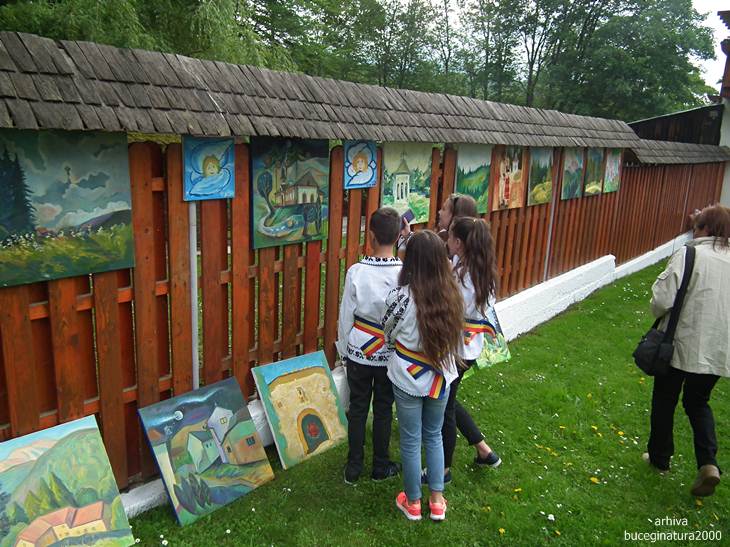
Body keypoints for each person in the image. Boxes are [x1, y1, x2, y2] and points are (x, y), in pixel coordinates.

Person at [644, 204, 730, 497]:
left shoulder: (689, 254)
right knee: (698, 402)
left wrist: (657, 312)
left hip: (681, 343)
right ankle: (708, 463)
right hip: (719, 348)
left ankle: (659, 458)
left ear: (705, 229)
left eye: (696, 226)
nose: (693, 231)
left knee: (665, 398)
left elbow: (662, 299)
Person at [382, 230, 463, 521]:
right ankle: (437, 501)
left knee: (410, 439)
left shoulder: (400, 296)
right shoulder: (454, 294)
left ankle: (413, 502)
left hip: (407, 375)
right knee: (434, 435)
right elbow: (458, 337)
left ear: (411, 260)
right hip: (441, 375)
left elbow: (387, 331)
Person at [436, 194, 502, 474]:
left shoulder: (463, 276)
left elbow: (453, 309)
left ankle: (443, 470)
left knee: (445, 408)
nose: (448, 242)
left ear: (459, 243)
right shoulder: (481, 269)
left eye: (451, 238)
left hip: (457, 349)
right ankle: (484, 451)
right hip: (469, 347)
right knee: (448, 401)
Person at [337, 207, 403, 484]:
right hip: (390, 354)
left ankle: (353, 467)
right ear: (398, 237)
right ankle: (380, 465)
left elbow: (346, 316)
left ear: (370, 236)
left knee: (358, 406)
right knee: (384, 408)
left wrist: (344, 352)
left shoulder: (356, 271)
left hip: (359, 351)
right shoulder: (405, 273)